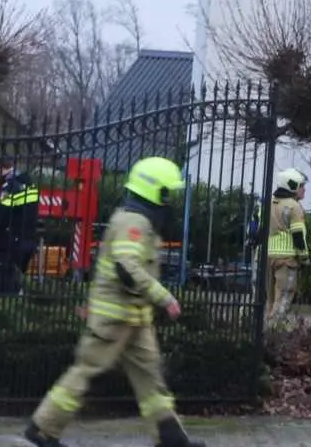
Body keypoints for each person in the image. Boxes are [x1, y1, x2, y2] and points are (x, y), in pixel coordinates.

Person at [26, 156, 204, 447]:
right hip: (114, 318)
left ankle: (170, 438)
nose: (170, 200)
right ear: (155, 191)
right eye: (167, 193)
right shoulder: (133, 222)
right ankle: (43, 428)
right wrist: (164, 297)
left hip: (134, 317)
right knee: (86, 371)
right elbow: (126, 267)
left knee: (150, 378)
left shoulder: (141, 220)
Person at [0, 168, 42, 294]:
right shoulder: (29, 185)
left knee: (5, 283)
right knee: (14, 279)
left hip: (11, 242)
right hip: (26, 240)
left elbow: (1, 215)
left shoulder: (11, 186)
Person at [266, 168, 307, 327]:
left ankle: (265, 331)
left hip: (268, 256)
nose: (304, 189)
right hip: (287, 259)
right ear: (293, 185)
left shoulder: (267, 203)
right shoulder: (294, 206)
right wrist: (304, 257)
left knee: (269, 302)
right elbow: (298, 235)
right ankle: (273, 335)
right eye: (302, 185)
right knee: (282, 300)